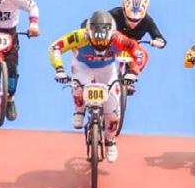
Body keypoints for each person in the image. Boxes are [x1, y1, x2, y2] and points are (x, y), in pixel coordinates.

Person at [49, 10, 143, 163]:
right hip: (83, 66)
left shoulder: (118, 38)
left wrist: (133, 72)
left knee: (113, 113)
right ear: (89, 34)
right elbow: (55, 47)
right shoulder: (79, 36)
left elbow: (138, 52)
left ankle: (110, 142)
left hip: (107, 70)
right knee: (78, 86)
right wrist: (59, 69)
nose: (99, 48)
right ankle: (79, 111)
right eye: (96, 43)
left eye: (103, 43)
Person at [106, 0, 166, 80]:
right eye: (129, 18)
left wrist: (159, 42)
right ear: (123, 8)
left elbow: (159, 37)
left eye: (137, 20)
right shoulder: (114, 14)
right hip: (113, 44)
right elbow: (97, 21)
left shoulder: (147, 21)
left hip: (132, 48)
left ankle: (130, 75)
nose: (133, 23)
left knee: (141, 55)